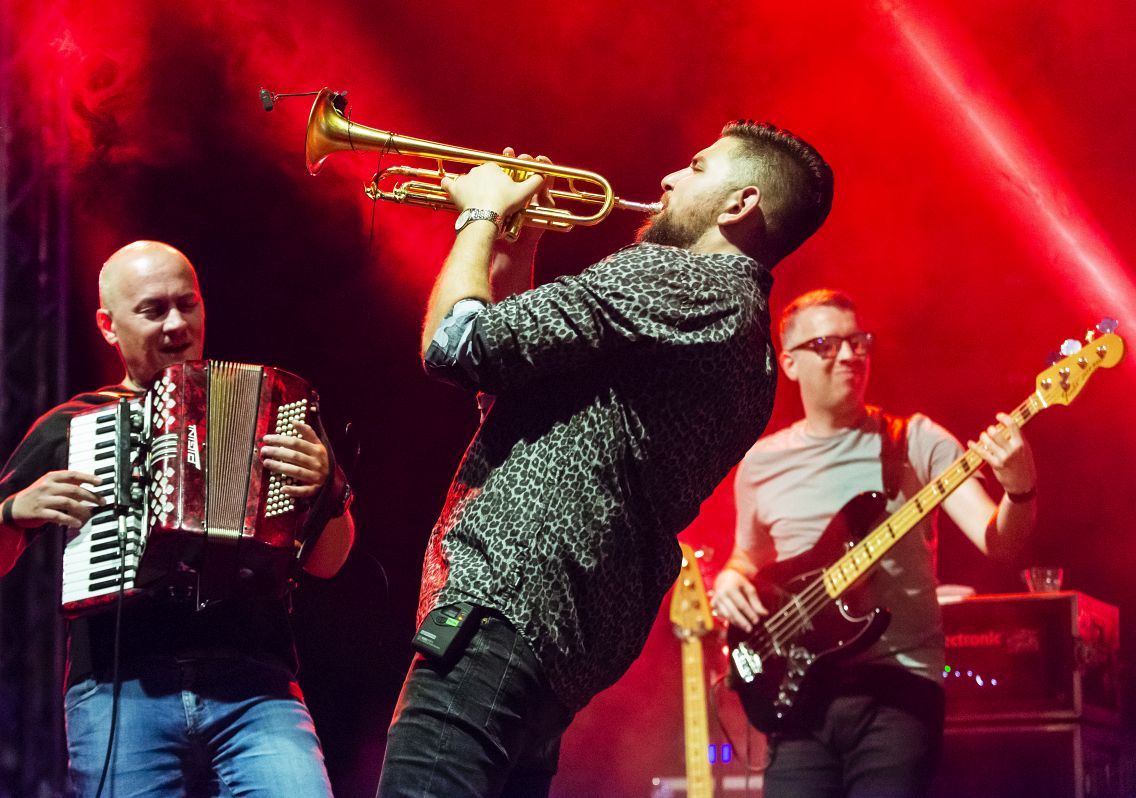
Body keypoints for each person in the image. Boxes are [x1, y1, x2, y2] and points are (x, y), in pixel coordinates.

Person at [375, 122, 834, 797]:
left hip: (504, 604)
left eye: (697, 167)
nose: (669, 178)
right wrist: (520, 245)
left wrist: (479, 214)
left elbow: (455, 344)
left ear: (740, 204)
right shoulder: (751, 346)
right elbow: (512, 388)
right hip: (555, 647)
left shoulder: (679, 277)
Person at [0, 240, 354, 797]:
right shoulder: (76, 424)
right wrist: (14, 512)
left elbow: (329, 562)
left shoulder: (273, 406)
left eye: (187, 304)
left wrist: (329, 487)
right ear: (108, 326)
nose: (176, 324)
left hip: (254, 686)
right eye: (152, 310)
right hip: (121, 691)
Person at [710, 288, 1038, 798]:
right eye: (826, 344)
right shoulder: (760, 464)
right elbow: (747, 556)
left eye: (858, 341)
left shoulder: (914, 441)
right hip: (798, 698)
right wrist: (730, 578)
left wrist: (1020, 488)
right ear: (789, 363)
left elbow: (999, 542)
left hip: (898, 691)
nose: (848, 355)